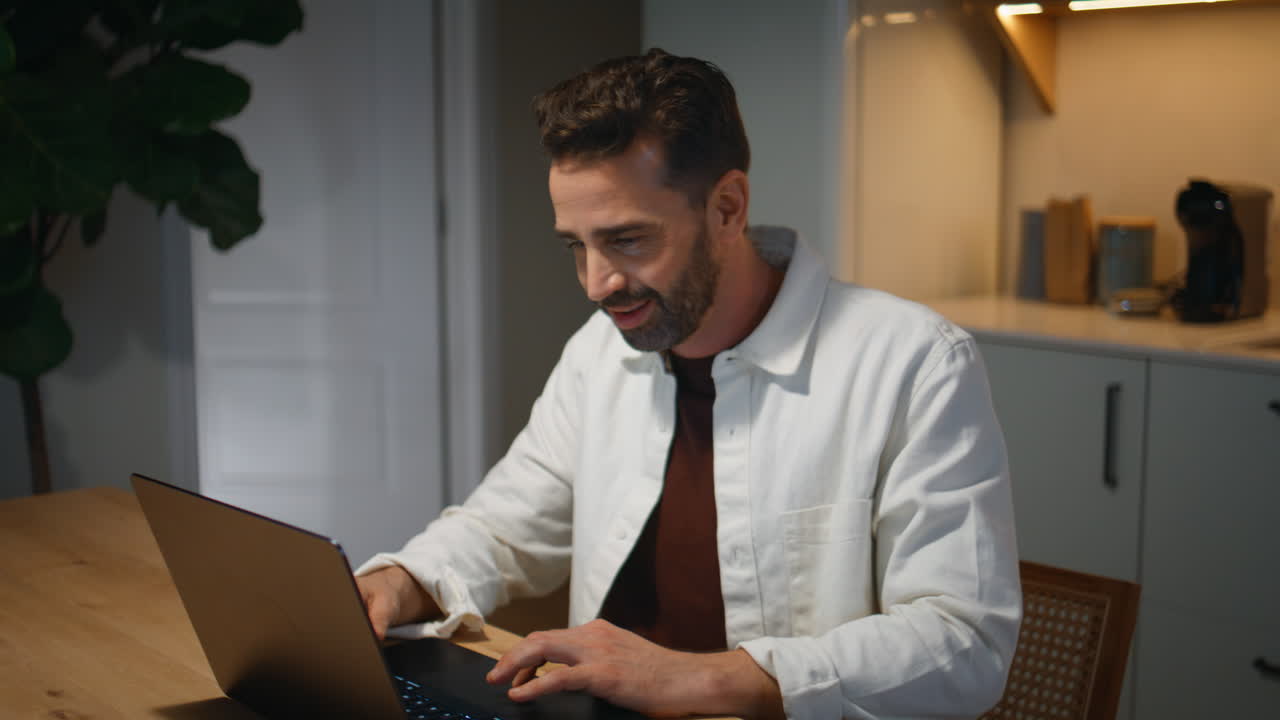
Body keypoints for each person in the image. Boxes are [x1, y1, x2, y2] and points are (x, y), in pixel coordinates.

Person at [355, 48, 1021, 720]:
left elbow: (963, 645)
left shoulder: (913, 363)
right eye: (576, 246)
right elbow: (504, 529)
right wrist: (396, 582)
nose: (595, 284)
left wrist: (693, 679)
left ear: (727, 208)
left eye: (629, 240)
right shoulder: (598, 354)